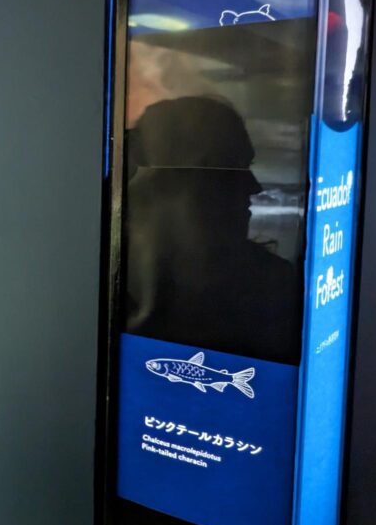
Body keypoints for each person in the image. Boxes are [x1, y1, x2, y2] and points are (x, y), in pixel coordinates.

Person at [124, 95, 302, 365]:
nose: (254, 187)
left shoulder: (275, 288)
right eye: (230, 167)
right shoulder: (102, 286)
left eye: (246, 167)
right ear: (166, 182)